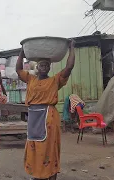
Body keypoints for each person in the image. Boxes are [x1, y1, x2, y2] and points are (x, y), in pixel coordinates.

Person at [16, 40, 75, 180]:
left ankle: (51, 175)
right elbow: (18, 70)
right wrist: (22, 51)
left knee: (49, 147)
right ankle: (37, 174)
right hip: (33, 118)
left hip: (49, 117)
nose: (44, 66)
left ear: (49, 68)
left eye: (46, 65)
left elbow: (69, 67)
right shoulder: (30, 79)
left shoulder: (55, 80)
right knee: (34, 146)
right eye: (41, 64)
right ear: (37, 66)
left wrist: (72, 48)